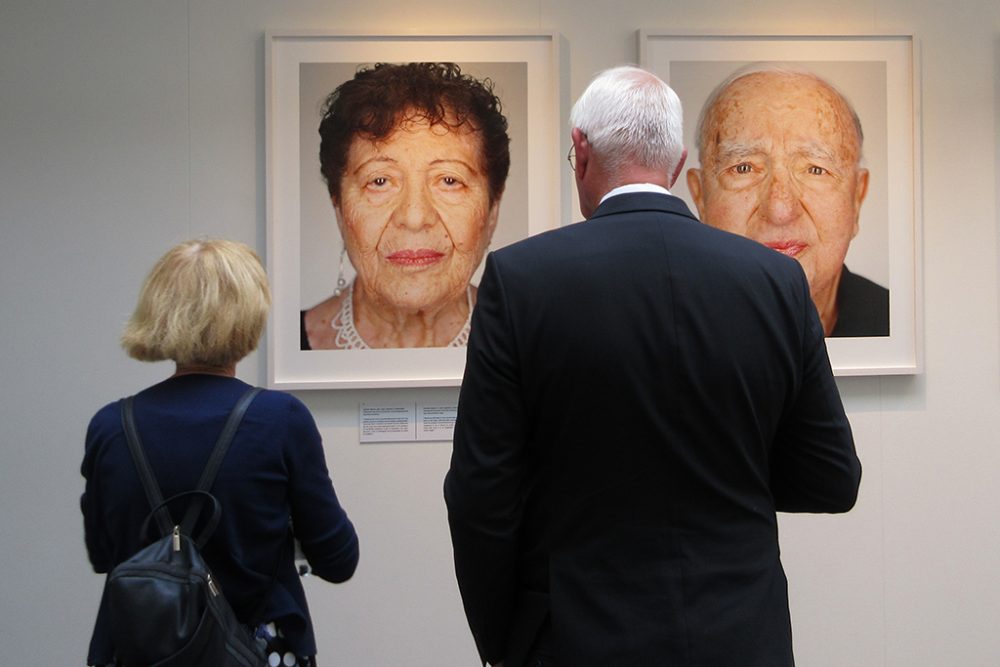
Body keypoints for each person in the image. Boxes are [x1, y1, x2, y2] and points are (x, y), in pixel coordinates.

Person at [444, 65, 861, 666]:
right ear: (677, 162)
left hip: (577, 635)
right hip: (740, 635)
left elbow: (480, 495)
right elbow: (831, 478)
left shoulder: (523, 280)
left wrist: (502, 639)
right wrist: (727, 476)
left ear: (581, 152)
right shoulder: (775, 281)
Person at [82, 239, 359, 667]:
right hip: (256, 649)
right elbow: (338, 560)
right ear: (250, 315)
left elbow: (103, 556)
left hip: (138, 651)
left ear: (158, 312)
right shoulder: (281, 420)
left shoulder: (110, 425)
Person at [300, 62, 511, 349]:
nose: (414, 217)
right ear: (339, 207)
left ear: (492, 210)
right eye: (379, 181)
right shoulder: (291, 343)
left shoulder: (531, 345)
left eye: (449, 180)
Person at [686, 63, 889, 337]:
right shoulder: (662, 330)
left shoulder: (890, 319)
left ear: (856, 199)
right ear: (700, 197)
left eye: (815, 169)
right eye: (744, 168)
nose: (780, 209)